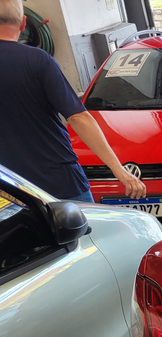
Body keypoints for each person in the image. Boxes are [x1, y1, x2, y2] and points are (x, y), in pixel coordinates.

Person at [0, 0, 145, 202]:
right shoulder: (37, 61)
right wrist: (119, 171)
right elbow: (78, 118)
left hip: (8, 190)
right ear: (24, 24)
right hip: (59, 182)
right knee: (85, 233)